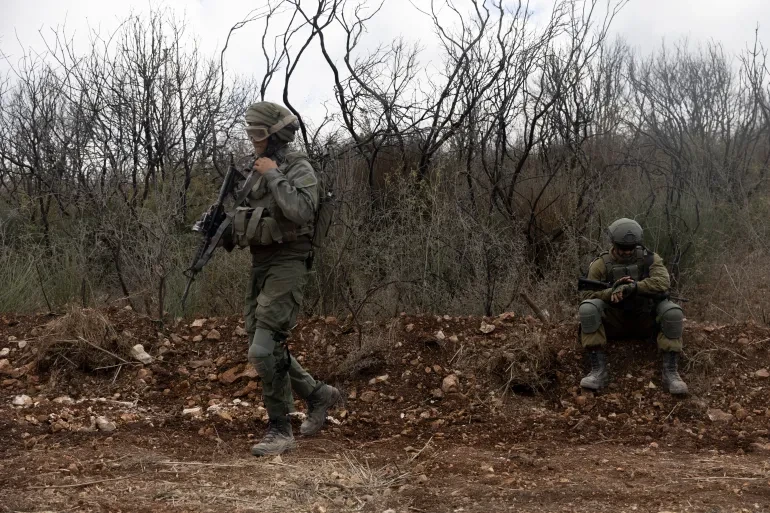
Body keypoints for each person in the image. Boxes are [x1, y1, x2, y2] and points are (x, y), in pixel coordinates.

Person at [226, 101, 340, 456]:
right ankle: (319, 395)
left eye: (258, 133)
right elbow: (250, 217)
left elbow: (301, 210)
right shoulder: (253, 169)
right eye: (249, 133)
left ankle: (280, 429)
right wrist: (222, 228)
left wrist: (274, 174)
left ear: (276, 135)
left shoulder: (297, 166)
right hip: (261, 262)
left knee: (262, 349)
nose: (252, 139)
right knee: (265, 345)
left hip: (289, 261)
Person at [578, 218, 688, 395]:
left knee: (672, 311)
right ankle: (598, 370)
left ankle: (670, 373)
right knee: (588, 309)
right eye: (622, 247)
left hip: (645, 319)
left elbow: (663, 282)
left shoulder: (650, 259)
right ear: (613, 243)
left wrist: (634, 287)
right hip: (614, 321)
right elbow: (586, 294)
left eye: (631, 248)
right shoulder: (601, 264)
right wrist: (610, 292)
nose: (627, 252)